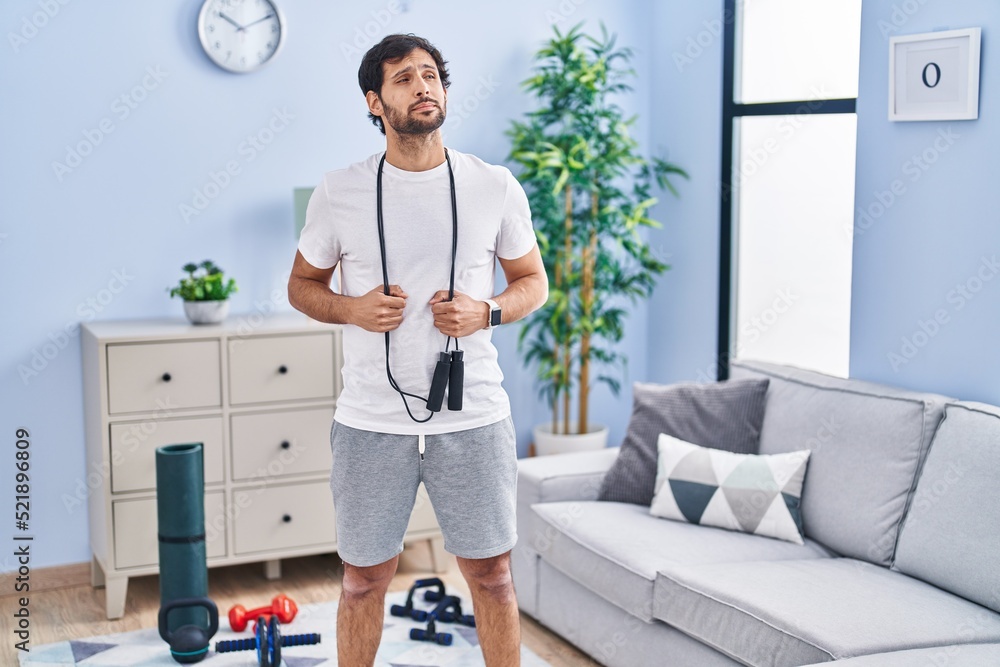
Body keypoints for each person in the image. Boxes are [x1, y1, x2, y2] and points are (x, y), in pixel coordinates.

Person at [287, 33, 547, 667]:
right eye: (403, 78)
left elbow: (532, 282)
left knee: (491, 577)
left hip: (476, 416)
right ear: (375, 102)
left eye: (431, 75)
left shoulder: (494, 185)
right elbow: (301, 286)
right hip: (371, 421)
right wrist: (353, 309)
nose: (423, 86)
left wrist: (484, 310)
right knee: (362, 581)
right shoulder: (339, 190)